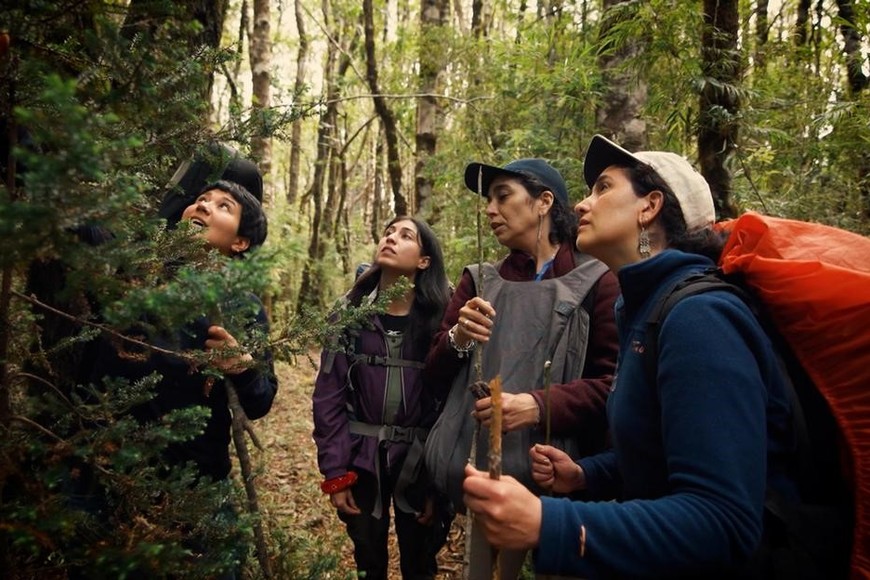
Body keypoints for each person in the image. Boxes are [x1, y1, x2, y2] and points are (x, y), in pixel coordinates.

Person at [462, 135, 796, 578]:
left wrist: (550, 523)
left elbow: (724, 522)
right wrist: (587, 474)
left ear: (649, 207)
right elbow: (661, 453)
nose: (582, 204)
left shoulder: (701, 318)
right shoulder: (643, 311)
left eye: (603, 188)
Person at [424, 159, 619, 579]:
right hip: (482, 470)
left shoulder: (598, 279)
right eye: (488, 199)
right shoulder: (480, 280)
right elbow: (434, 375)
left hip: (561, 482)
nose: (490, 209)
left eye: (503, 196)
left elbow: (613, 384)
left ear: (544, 202)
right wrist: (459, 336)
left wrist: (538, 406)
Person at [82, 180, 277, 578]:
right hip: (108, 472)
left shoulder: (242, 306)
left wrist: (242, 366)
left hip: (198, 485)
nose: (203, 206)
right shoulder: (138, 271)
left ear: (240, 243)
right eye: (200, 199)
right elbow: (84, 224)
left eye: (223, 206)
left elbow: (261, 400)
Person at [313, 216, 452, 580]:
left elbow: (450, 403)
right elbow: (328, 397)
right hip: (361, 460)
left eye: (405, 236)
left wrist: (439, 482)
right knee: (368, 560)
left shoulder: (440, 319)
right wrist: (335, 471)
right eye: (388, 232)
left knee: (420, 563)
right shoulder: (349, 313)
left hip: (420, 462)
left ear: (424, 261)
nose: (390, 238)